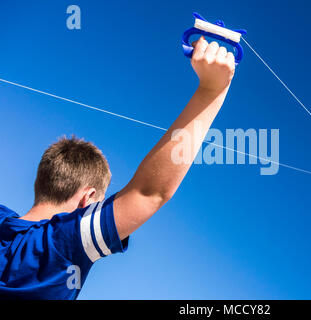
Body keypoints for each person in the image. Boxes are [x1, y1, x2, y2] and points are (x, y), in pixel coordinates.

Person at [0, 37, 235, 299]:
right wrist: (213, 90)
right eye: (99, 203)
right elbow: (150, 193)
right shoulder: (59, 245)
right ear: (88, 199)